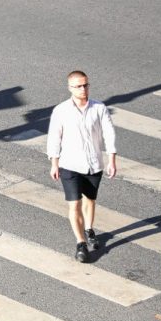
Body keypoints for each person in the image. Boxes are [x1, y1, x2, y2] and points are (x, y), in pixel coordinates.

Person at [47, 71, 118, 263]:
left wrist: (111, 159)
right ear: (70, 88)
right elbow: (54, 137)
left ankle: (89, 229)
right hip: (69, 164)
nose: (83, 89)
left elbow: (109, 133)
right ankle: (80, 243)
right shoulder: (61, 110)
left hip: (94, 163)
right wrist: (54, 163)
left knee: (90, 200)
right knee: (74, 203)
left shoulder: (99, 107)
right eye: (78, 86)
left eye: (86, 85)